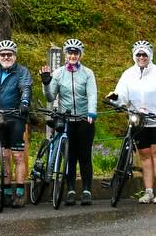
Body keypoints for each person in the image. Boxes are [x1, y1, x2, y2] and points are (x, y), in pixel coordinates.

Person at [108, 39, 156, 204]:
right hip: (139, 120)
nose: (141, 57)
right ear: (134, 56)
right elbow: (122, 94)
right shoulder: (128, 74)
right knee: (145, 155)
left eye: (144, 54)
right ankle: (148, 191)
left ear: (150, 56)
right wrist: (115, 98)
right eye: (138, 54)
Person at [40, 37, 98, 206]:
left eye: (76, 53)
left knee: (85, 155)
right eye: (70, 53)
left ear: (80, 55)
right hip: (66, 119)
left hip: (83, 118)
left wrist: (92, 112)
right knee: (70, 156)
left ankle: (86, 190)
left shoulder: (88, 73)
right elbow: (50, 96)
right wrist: (46, 83)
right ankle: (71, 190)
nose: (73, 56)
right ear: (65, 54)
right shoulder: (58, 73)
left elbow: (92, 94)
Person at [0, 39, 32, 207]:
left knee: (18, 156)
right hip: (0, 117)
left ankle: (19, 192)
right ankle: (6, 192)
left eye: (9, 54)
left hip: (16, 117)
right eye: (3, 55)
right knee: (4, 156)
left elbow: (26, 88)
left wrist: (24, 103)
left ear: (15, 56)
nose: (6, 57)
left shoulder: (22, 72)